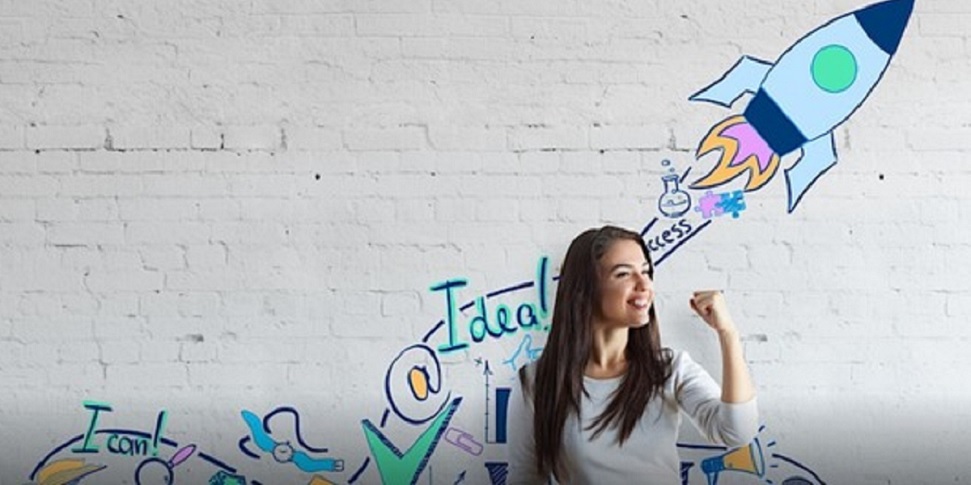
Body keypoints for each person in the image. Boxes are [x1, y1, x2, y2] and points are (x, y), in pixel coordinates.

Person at [507, 225, 758, 484]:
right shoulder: (537, 381)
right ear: (586, 288)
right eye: (624, 274)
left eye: (646, 271)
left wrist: (728, 334)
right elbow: (523, 477)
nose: (644, 284)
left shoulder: (671, 369)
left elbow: (736, 432)